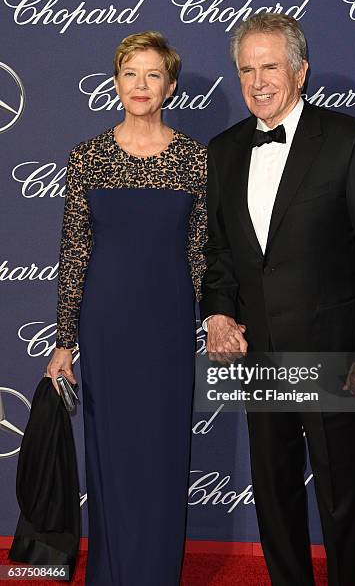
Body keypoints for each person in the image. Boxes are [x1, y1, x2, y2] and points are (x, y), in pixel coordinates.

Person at [200, 14, 355, 586]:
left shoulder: (350, 142)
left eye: (270, 66)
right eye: (246, 69)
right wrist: (217, 312)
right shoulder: (223, 150)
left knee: (341, 497)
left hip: (334, 354)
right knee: (272, 490)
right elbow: (219, 255)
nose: (258, 81)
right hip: (259, 356)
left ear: (300, 70)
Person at [46, 31, 207, 585]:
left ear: (171, 86)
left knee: (162, 454)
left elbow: (200, 254)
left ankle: (157, 572)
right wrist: (65, 341)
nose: (141, 86)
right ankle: (112, 572)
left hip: (166, 326)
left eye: (153, 75)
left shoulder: (195, 159)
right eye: (130, 74)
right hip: (106, 325)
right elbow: (74, 252)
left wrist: (211, 318)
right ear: (116, 83)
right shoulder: (87, 156)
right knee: (111, 454)